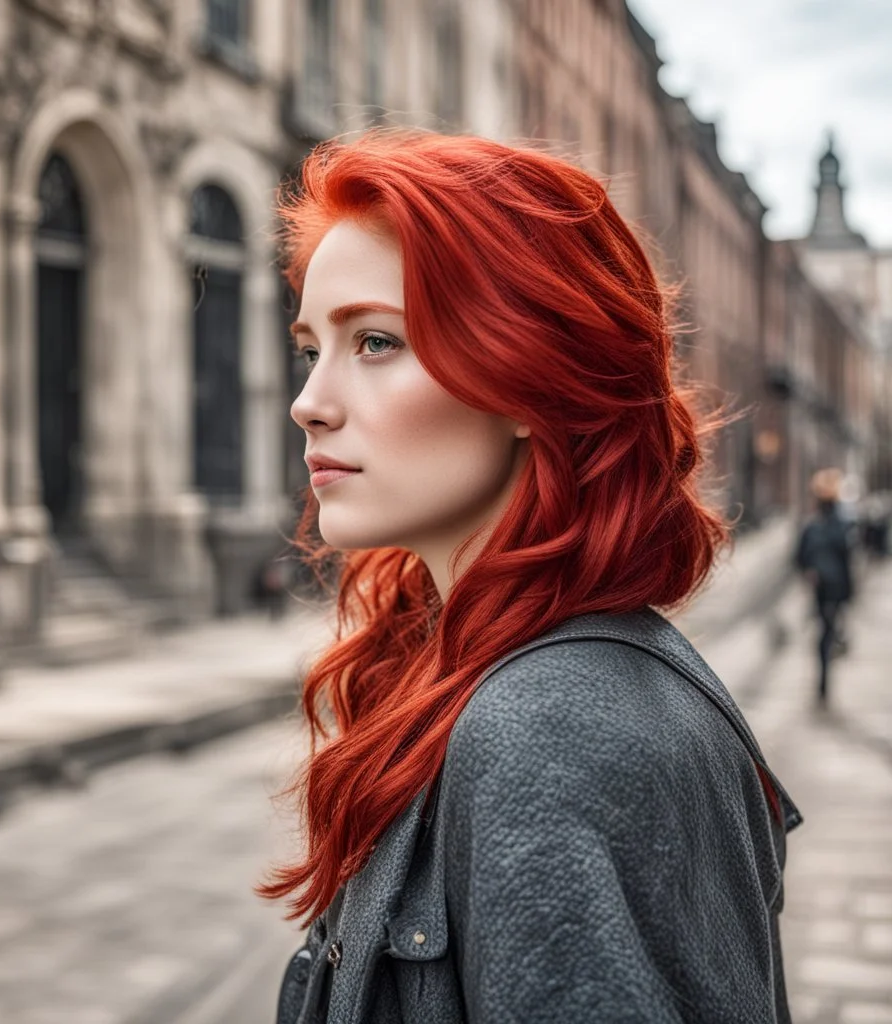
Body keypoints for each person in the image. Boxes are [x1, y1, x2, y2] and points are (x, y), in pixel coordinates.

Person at [261, 131, 801, 1023]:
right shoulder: (492, 666)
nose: (309, 400)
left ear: (522, 374)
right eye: (310, 347)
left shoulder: (547, 728)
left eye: (377, 342)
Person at [795, 468, 855, 705]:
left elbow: (799, 558)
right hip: (834, 587)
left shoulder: (812, 526)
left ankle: (823, 678)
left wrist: (809, 572)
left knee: (825, 631)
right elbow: (847, 559)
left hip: (825, 587)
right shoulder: (839, 527)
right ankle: (824, 677)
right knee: (828, 630)